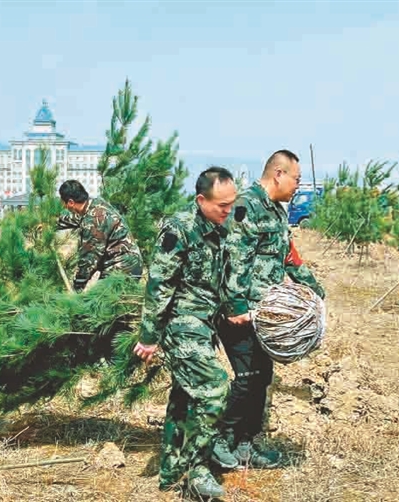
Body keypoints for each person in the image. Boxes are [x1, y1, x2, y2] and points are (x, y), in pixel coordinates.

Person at [133, 167, 242, 498]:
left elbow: (223, 278)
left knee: (184, 400)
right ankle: (198, 470)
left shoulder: (222, 229)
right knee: (214, 388)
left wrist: (235, 308)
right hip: (181, 326)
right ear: (200, 200)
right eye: (222, 205)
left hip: (205, 325)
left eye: (231, 204)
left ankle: (171, 475)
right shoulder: (179, 229)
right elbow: (159, 284)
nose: (228, 210)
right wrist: (149, 335)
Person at [215, 149, 325, 468]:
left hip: (263, 315)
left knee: (262, 378)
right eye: (297, 179)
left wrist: (314, 288)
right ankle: (219, 439)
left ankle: (246, 444)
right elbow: (231, 261)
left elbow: (288, 255)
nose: (298, 186)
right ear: (278, 173)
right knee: (247, 377)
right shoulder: (246, 206)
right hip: (237, 312)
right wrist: (236, 306)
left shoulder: (277, 212)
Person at [57, 180, 143, 291]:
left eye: (63, 203)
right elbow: (77, 219)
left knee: (99, 303)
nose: (63, 206)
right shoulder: (95, 204)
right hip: (130, 261)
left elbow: (88, 260)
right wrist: (53, 222)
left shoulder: (93, 220)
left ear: (70, 202)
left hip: (123, 266)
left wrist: (77, 287)